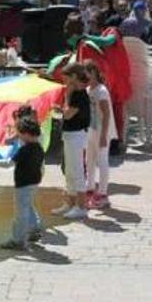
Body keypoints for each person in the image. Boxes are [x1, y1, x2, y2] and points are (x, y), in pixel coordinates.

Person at [52, 63, 90, 220]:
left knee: (77, 171)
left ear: (74, 77)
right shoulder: (75, 93)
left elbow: (68, 115)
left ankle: (81, 206)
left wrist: (66, 99)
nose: (64, 81)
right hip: (69, 135)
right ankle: (70, 202)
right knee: (69, 170)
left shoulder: (79, 94)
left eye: (65, 78)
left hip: (76, 135)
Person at [0, 117, 44, 251]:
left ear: (25, 134)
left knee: (20, 213)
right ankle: (34, 228)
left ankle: (18, 240)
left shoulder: (24, 150)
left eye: (19, 133)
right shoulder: (39, 148)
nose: (18, 136)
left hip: (23, 184)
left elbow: (9, 164)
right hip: (34, 182)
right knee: (28, 206)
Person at [84, 61, 116, 210]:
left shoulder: (101, 91)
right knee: (89, 160)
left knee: (102, 161)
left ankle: (103, 194)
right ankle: (89, 189)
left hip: (102, 130)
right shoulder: (87, 90)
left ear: (94, 73)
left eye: (87, 73)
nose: (85, 76)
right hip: (91, 129)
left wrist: (104, 135)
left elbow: (107, 114)